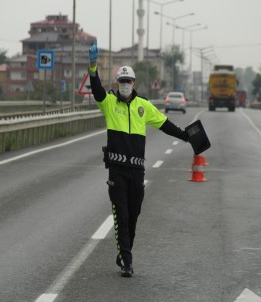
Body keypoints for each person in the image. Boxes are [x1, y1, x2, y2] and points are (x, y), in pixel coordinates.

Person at [88, 40, 190, 277]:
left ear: (134, 83)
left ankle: (124, 252)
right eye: (121, 81)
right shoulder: (109, 103)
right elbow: (96, 90)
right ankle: (127, 262)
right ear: (118, 83)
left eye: (128, 81)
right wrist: (93, 66)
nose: (125, 85)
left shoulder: (144, 106)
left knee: (133, 217)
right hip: (117, 172)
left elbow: (165, 124)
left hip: (137, 173)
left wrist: (185, 136)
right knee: (121, 216)